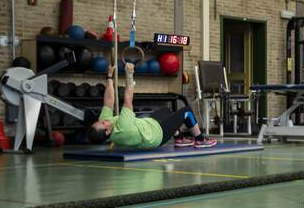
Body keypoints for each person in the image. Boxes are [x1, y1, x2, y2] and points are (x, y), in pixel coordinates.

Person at [87, 64, 217, 149]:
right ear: (108, 132)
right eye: (103, 123)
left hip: (148, 124)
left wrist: (109, 76)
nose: (104, 120)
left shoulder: (106, 124)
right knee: (187, 112)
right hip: (157, 136)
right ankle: (200, 140)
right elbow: (128, 99)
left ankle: (179, 139)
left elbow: (108, 101)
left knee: (166, 110)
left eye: (100, 122)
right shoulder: (122, 128)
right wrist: (130, 75)